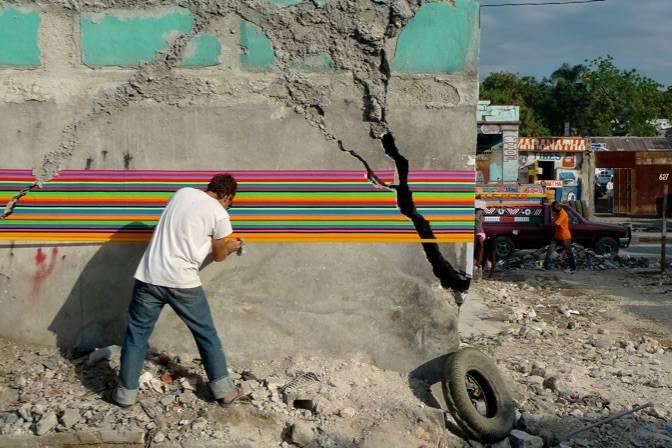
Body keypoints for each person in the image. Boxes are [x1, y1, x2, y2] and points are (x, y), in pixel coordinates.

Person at [109, 173, 245, 408]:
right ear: (227, 195)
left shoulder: (182, 193)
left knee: (136, 335)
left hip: (149, 276)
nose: (227, 206)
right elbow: (219, 255)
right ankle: (224, 392)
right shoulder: (220, 213)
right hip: (182, 282)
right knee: (206, 335)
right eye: (229, 202)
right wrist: (231, 246)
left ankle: (125, 395)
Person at [543, 201, 576, 273]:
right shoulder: (557, 213)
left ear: (558, 207)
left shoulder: (563, 214)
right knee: (550, 250)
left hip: (565, 237)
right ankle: (546, 266)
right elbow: (553, 222)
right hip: (557, 236)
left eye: (553, 208)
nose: (552, 209)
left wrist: (546, 225)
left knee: (569, 253)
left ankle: (572, 268)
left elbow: (556, 224)